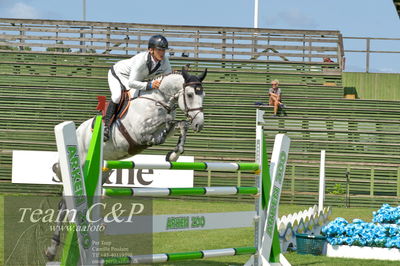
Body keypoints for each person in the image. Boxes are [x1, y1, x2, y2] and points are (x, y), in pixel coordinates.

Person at [104, 34, 172, 141]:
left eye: (164, 50)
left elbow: (168, 78)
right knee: (117, 96)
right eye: (159, 50)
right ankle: (106, 125)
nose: (162, 53)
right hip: (118, 74)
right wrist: (149, 85)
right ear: (151, 50)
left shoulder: (165, 61)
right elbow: (131, 83)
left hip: (136, 79)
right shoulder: (141, 61)